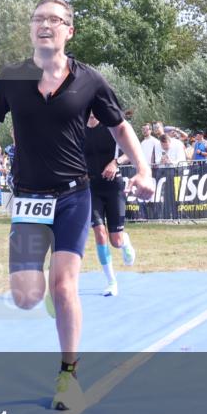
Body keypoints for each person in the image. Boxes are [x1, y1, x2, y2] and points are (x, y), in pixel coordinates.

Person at [0, 0, 155, 411]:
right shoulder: (12, 78)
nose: (45, 25)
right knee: (25, 296)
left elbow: (121, 127)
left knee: (63, 286)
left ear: (68, 30)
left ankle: (68, 374)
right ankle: (49, 298)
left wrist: (143, 171)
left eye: (54, 20)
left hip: (74, 196)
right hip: (27, 200)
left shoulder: (90, 80)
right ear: (30, 29)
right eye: (38, 19)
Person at [85, 112, 136, 297]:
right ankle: (111, 281)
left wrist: (115, 163)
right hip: (91, 188)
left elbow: (129, 153)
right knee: (99, 232)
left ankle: (125, 241)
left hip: (113, 186)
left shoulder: (111, 127)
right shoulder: (78, 128)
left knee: (116, 241)